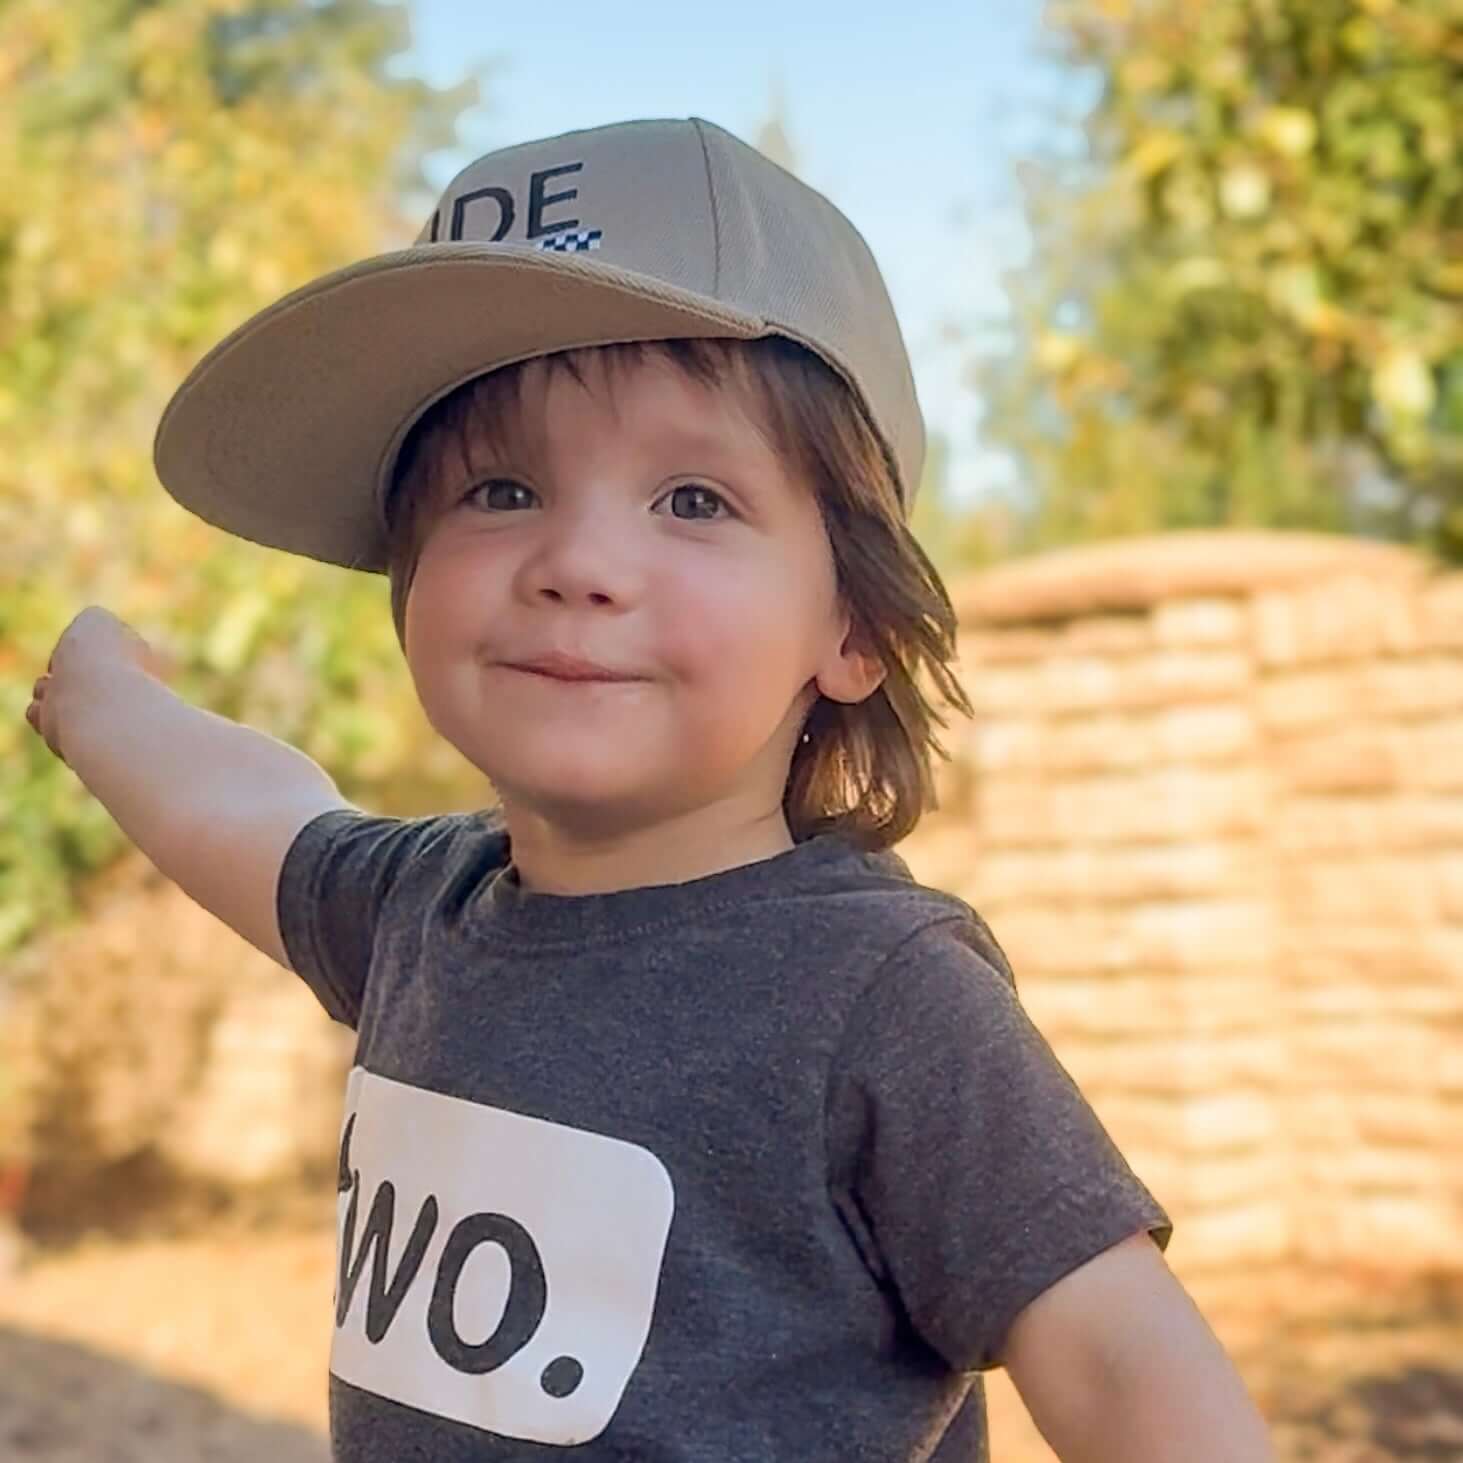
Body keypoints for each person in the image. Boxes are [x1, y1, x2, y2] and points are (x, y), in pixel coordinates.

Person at [28, 118, 1274, 1461]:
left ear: (852, 629)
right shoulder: (419, 913)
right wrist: (105, 704)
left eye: (691, 500)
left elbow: (1125, 1369)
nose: (577, 561)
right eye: (499, 489)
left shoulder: (875, 995)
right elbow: (250, 813)